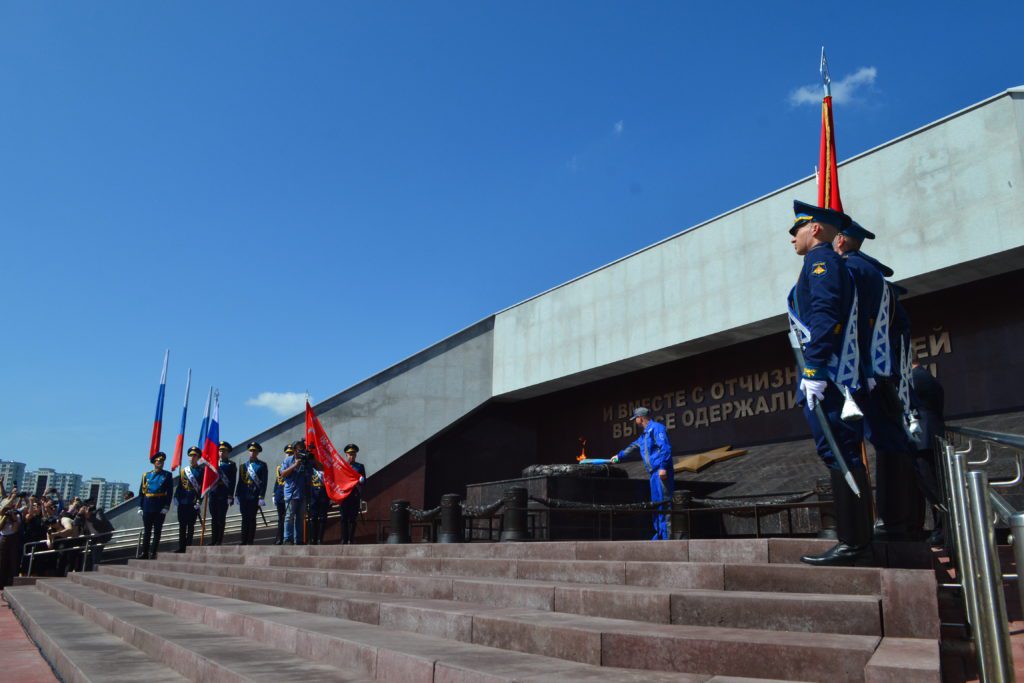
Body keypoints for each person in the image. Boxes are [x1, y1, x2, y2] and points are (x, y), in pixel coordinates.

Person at [786, 201, 872, 567]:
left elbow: (824, 316)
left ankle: (853, 542)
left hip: (830, 375)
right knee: (841, 451)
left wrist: (814, 371)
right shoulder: (825, 262)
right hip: (833, 373)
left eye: (797, 230)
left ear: (816, 229)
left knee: (838, 450)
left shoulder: (820, 262)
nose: (792, 238)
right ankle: (856, 538)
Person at [832, 221, 922, 539]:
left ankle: (874, 527)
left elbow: (844, 318)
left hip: (862, 372)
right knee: (894, 442)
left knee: (868, 441)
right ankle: (903, 523)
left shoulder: (849, 270)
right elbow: (903, 327)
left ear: (840, 240)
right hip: (885, 373)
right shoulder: (877, 277)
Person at [610, 407, 674, 540]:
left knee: (665, 503)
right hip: (653, 475)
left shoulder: (657, 428)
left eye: (635, 419)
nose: (635, 421)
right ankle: (659, 535)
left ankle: (668, 537)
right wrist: (618, 456)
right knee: (656, 503)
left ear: (640, 418)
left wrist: (663, 467)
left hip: (661, 472)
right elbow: (632, 447)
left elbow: (665, 448)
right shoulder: (644, 435)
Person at [911, 358, 946, 545]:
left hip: (924, 439)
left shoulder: (917, 377)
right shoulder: (927, 376)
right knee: (933, 486)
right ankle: (941, 529)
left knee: (932, 487)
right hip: (928, 437)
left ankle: (944, 529)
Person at [279, 441, 319, 545]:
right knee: (289, 517)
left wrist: (313, 459)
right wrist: (295, 465)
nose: (300, 450)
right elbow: (282, 473)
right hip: (291, 493)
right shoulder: (288, 460)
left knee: (300, 518)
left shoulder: (307, 461)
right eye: (298, 449)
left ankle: (299, 540)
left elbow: (321, 468)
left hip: (303, 493)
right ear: (294, 450)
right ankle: (288, 539)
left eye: (302, 448)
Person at [137, 452, 173, 559]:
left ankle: (153, 552)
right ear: (154, 462)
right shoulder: (146, 475)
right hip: (147, 505)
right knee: (147, 531)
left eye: (162, 461)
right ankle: (144, 552)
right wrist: (140, 506)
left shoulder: (167, 475)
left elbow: (169, 492)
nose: (160, 463)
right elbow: (141, 493)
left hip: (159, 505)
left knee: (157, 531)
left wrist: (166, 506)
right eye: (158, 461)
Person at [235, 442, 268, 545]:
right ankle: (243, 540)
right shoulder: (243, 466)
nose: (252, 452)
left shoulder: (262, 465)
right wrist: (236, 494)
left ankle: (250, 541)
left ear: (258, 452)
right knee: (244, 518)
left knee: (252, 518)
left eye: (254, 451)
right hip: (244, 496)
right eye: (251, 450)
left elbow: (264, 482)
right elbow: (240, 481)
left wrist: (261, 496)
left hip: (255, 496)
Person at [173, 447, 204, 553]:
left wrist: (200, 501)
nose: (192, 457)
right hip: (182, 502)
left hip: (193, 502)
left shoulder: (201, 471)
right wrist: (176, 497)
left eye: (194, 456)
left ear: (198, 457)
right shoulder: (183, 471)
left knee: (191, 526)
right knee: (182, 525)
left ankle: (188, 546)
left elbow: (202, 488)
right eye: (190, 455)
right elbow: (180, 486)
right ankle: (181, 546)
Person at [207, 441, 237, 546]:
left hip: (224, 494)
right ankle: (213, 539)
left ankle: (219, 540)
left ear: (228, 452)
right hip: (213, 493)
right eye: (219, 450)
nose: (221, 452)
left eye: (223, 451)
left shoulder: (231, 465)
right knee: (214, 518)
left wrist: (230, 495)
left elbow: (232, 481)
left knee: (221, 518)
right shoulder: (213, 463)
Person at [340, 444, 366, 544]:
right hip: (344, 495)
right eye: (350, 454)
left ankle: (351, 539)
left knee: (352, 518)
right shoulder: (342, 466)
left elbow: (364, 481)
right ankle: (344, 539)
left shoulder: (360, 466)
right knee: (343, 518)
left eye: (353, 454)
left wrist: (361, 480)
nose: (352, 456)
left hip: (354, 494)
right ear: (346, 455)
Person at [0, 499, 22, 588]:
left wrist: (13, 517)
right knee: (1, 562)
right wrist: (5, 516)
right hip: (3, 539)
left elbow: (14, 529)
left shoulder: (17, 515)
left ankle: (10, 583)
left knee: (12, 561)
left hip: (13, 539)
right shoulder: (2, 516)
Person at [308, 468, 329, 544]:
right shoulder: (310, 468)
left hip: (324, 493)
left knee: (323, 517)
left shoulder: (326, 468)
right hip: (313, 493)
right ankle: (313, 539)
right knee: (313, 517)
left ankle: (320, 539)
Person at [273, 450, 287, 545]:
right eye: (287, 453)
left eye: (291, 453)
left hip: (290, 496)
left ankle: (288, 538)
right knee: (281, 518)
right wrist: (274, 494)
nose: (288, 455)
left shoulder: (294, 466)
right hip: (280, 496)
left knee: (289, 518)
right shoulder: (279, 467)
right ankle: (279, 538)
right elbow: (277, 482)